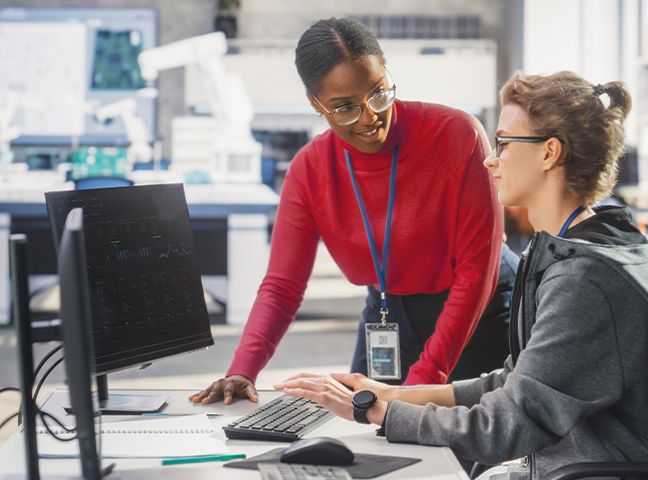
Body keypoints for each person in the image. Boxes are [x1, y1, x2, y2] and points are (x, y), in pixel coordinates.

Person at [274, 71, 648, 479]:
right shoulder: (579, 252)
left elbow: (503, 426)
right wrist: (395, 394)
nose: (491, 157)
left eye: (504, 143)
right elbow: (516, 381)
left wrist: (376, 411)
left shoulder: (583, 281)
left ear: (549, 153)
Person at [191, 17, 517, 405]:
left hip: (478, 310)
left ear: (385, 70)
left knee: (449, 452)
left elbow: (476, 271)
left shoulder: (457, 134)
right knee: (360, 435)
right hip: (386, 312)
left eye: (379, 94)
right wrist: (242, 369)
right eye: (344, 108)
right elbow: (282, 287)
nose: (369, 118)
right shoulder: (309, 170)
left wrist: (418, 385)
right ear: (316, 105)